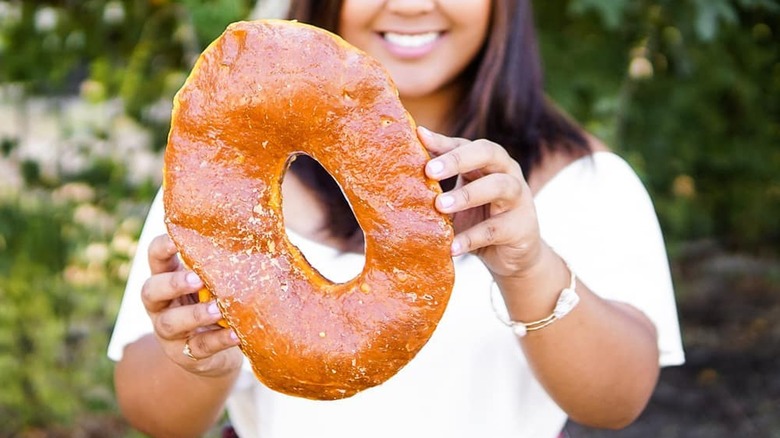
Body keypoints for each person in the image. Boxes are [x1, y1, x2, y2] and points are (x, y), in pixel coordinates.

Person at [108, 1, 685, 437]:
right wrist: (199, 361)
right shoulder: (210, 192)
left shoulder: (587, 182)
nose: (410, 4)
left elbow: (618, 400)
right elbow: (156, 418)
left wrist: (529, 266)